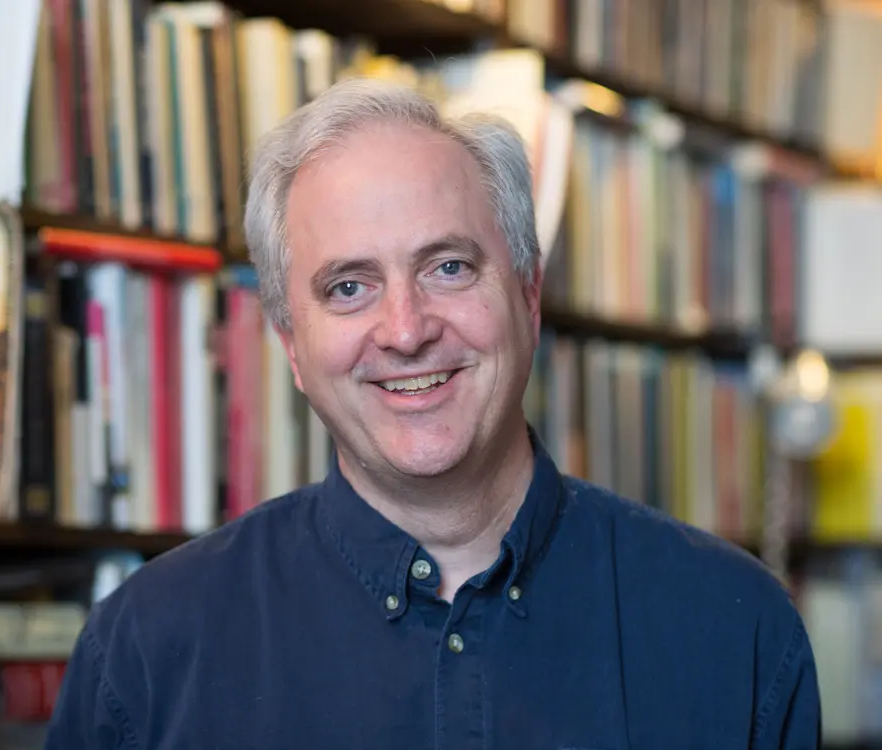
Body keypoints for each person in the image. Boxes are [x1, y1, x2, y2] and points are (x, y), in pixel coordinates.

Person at [43, 78, 821, 748]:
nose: (407, 330)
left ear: (527, 295)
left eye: (448, 267)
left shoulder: (736, 629)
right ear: (288, 342)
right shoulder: (147, 650)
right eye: (349, 286)